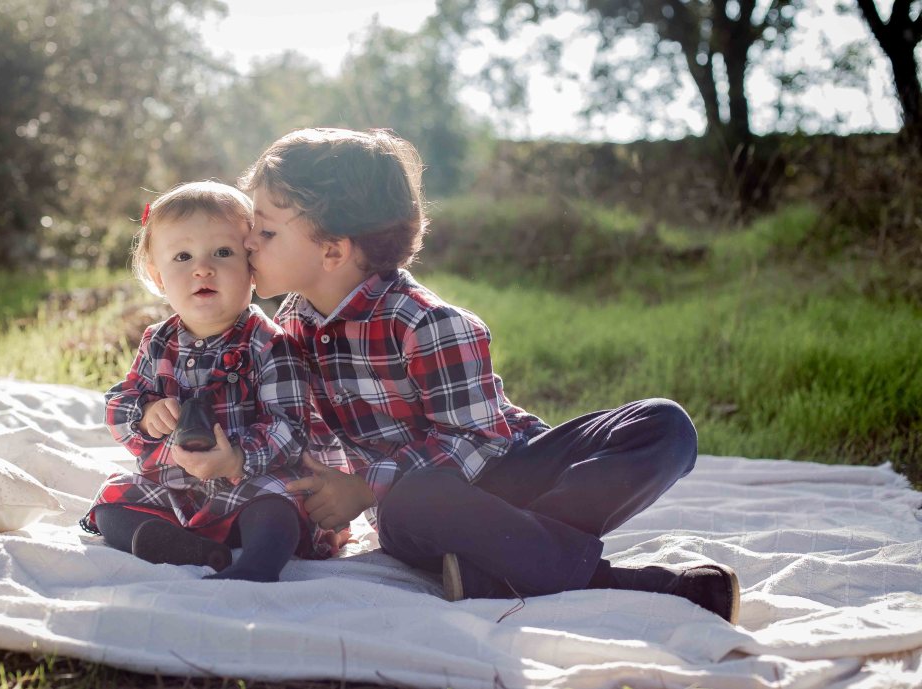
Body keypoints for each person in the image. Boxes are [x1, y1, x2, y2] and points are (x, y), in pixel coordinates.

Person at [236, 128, 740, 622]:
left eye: (266, 230)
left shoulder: (428, 324)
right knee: (416, 497)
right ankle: (591, 574)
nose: (248, 242)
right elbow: (311, 438)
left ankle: (498, 570)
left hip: (508, 476)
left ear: (333, 251)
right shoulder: (292, 325)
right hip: (425, 518)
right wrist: (328, 511)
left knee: (665, 425)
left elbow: (476, 439)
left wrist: (363, 486)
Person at [80, 180, 349, 582]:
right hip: (178, 488)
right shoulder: (158, 341)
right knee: (111, 503)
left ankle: (256, 566)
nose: (202, 268)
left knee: (277, 506)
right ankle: (183, 547)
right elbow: (119, 402)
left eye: (222, 253)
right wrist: (146, 413)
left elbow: (288, 428)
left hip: (251, 485)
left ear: (252, 266)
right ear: (157, 275)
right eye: (183, 256)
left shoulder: (271, 344)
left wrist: (236, 459)